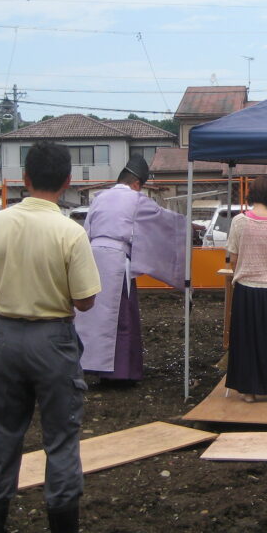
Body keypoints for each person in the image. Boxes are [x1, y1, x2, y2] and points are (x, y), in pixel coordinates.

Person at [0, 142, 102, 533]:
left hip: (4, 338)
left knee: (3, 436)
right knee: (60, 440)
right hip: (52, 341)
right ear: (67, 183)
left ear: (24, 179)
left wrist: (8, 285)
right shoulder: (69, 232)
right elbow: (85, 302)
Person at [74, 155, 187, 384]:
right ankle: (119, 374)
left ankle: (88, 366)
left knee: (91, 316)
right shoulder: (136, 199)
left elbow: (86, 230)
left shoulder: (99, 197)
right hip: (116, 259)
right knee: (120, 317)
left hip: (93, 255)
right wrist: (185, 224)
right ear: (137, 183)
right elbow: (161, 221)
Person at [225, 175, 267, 402]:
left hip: (245, 289)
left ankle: (248, 391)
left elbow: (232, 257)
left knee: (246, 339)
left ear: (251, 194)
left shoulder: (239, 221)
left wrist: (241, 270)